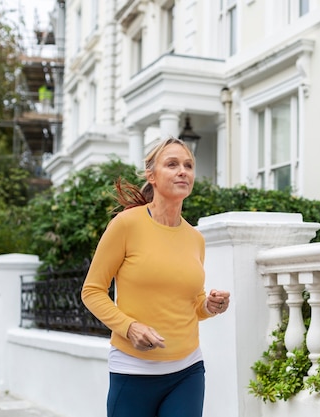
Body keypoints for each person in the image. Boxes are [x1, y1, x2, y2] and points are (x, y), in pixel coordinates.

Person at [81, 136, 231, 417]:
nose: (182, 171)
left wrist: (209, 306)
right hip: (133, 371)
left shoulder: (195, 238)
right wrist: (130, 327)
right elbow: (91, 290)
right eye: (172, 164)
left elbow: (193, 303)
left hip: (187, 372)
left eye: (188, 165)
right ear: (151, 175)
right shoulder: (126, 225)